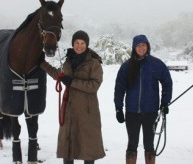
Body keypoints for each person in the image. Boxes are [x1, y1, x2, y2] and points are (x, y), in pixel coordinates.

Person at [40, 30, 105, 164]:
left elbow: (94, 85)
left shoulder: (94, 63)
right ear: (73, 44)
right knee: (68, 147)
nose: (79, 46)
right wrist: (42, 63)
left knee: (88, 148)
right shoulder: (68, 61)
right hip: (69, 110)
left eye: (82, 43)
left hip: (87, 112)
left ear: (86, 45)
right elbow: (58, 74)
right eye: (76, 43)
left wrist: (72, 82)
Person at [114, 34, 173, 164]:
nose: (141, 48)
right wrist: (118, 108)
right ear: (134, 48)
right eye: (138, 46)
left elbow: (167, 82)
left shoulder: (156, 64)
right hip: (132, 112)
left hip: (150, 112)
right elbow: (119, 88)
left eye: (143, 45)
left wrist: (165, 102)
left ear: (148, 46)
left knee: (149, 145)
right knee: (132, 144)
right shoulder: (126, 66)